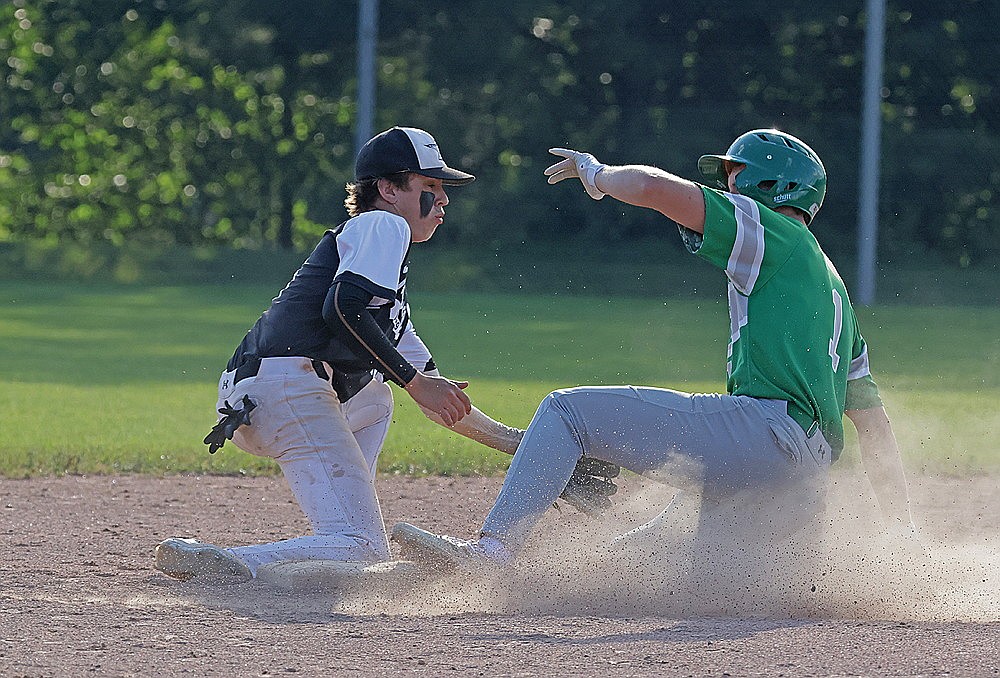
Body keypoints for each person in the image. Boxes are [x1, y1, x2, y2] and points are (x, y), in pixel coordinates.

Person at [392, 129, 921, 571]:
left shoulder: (771, 232)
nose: (726, 189)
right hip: (800, 482)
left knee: (566, 412)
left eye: (734, 177)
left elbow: (649, 186)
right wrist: (903, 533)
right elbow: (874, 427)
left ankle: (491, 554)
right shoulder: (836, 292)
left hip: (766, 437)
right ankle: (530, 558)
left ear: (769, 185)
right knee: (640, 566)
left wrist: (597, 176)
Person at [154, 126, 532, 583]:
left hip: (268, 397)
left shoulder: (385, 296)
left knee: (378, 398)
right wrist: (414, 382)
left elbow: (441, 399)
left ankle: (335, 543)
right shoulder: (383, 224)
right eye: (430, 186)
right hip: (287, 389)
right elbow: (341, 309)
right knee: (365, 547)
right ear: (388, 189)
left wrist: (525, 447)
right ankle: (239, 564)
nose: (444, 199)